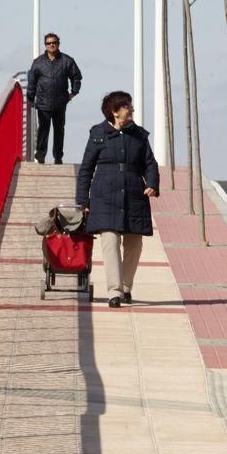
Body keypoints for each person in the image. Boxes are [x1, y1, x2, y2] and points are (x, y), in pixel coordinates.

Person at [76, 91, 159, 308]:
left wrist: (152, 183)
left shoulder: (139, 135)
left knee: (135, 245)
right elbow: (86, 169)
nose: (131, 109)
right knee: (110, 243)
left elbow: (150, 163)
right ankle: (114, 292)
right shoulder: (98, 133)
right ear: (115, 112)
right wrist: (82, 200)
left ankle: (126, 286)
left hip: (133, 194)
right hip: (105, 195)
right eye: (127, 107)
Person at [26, 32, 82, 165]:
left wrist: (73, 92)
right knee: (43, 130)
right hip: (43, 103)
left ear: (58, 44)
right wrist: (30, 98)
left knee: (59, 131)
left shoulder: (67, 61)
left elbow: (76, 77)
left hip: (60, 102)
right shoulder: (38, 62)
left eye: (54, 43)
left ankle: (58, 157)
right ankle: (40, 155)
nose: (52, 45)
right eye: (49, 43)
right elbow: (32, 81)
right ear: (45, 45)